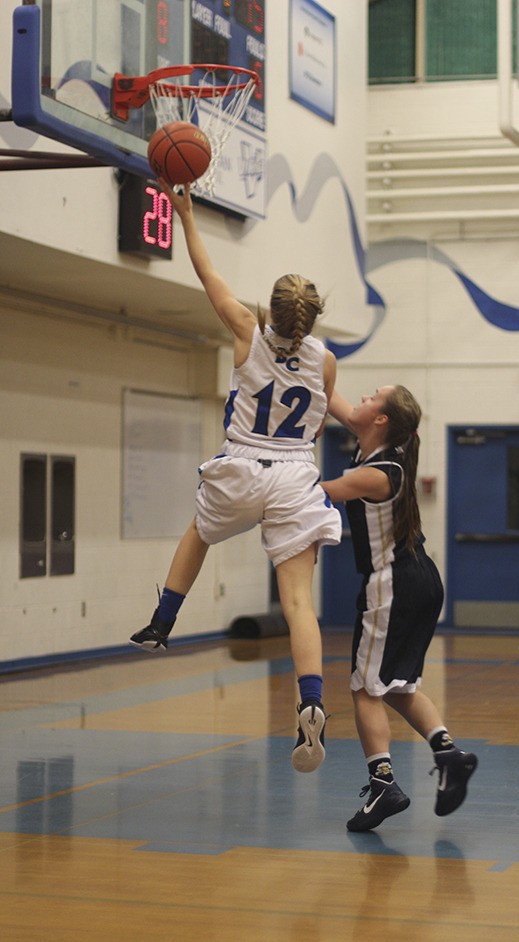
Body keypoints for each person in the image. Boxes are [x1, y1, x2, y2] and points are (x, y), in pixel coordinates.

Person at [129, 181, 342, 774]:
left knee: (199, 531)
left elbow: (206, 272)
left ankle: (162, 621)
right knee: (299, 601)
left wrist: (187, 214)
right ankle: (311, 700)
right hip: (296, 469)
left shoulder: (246, 329)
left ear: (271, 309)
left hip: (244, 462)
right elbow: (323, 421)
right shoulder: (326, 360)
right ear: (314, 315)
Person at [322, 385, 477, 831]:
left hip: (393, 582)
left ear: (383, 420)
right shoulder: (376, 445)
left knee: (364, 687)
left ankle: (383, 783)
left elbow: (321, 493)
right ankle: (449, 754)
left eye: (372, 397)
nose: (362, 400)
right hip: (419, 579)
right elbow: (335, 398)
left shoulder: (376, 473)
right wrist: (304, 359)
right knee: (397, 685)